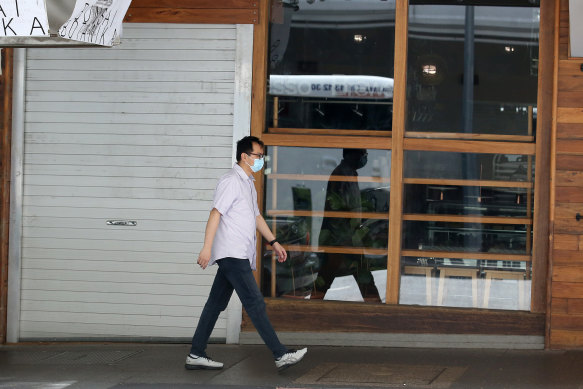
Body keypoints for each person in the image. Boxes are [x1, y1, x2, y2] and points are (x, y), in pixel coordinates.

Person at [185, 136, 307, 372]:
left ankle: (196, 353)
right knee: (255, 302)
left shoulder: (248, 183)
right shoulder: (231, 181)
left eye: (262, 156)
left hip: (237, 253)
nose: (261, 160)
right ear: (244, 156)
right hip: (231, 253)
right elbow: (215, 214)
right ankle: (280, 354)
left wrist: (274, 241)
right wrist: (207, 247)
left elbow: (256, 217)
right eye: (258, 156)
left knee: (215, 304)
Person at [318, 148, 368, 291]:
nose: (365, 157)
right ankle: (376, 307)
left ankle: (375, 306)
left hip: (348, 237)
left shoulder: (350, 174)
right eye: (363, 153)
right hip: (341, 239)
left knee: (363, 276)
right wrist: (348, 239)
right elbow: (337, 210)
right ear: (353, 154)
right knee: (362, 276)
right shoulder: (341, 175)